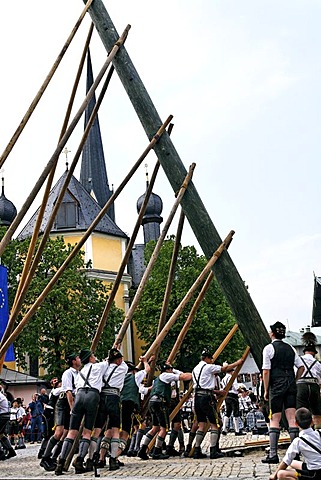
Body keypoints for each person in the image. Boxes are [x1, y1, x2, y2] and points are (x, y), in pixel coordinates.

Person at [55, 348, 111, 475]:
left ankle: (60, 462)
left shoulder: (80, 371)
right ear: (90, 358)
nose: (95, 357)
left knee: (71, 432)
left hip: (79, 396)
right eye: (93, 355)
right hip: (92, 396)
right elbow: (109, 360)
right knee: (86, 433)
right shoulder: (98, 366)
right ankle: (79, 460)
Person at [262, 321, 304, 464]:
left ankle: (273, 454)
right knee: (292, 418)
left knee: (275, 418)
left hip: (276, 384)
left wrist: (266, 390)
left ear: (272, 333)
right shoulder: (291, 348)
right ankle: (295, 454)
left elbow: (266, 371)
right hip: (290, 382)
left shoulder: (268, 348)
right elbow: (301, 367)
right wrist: (295, 380)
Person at [192, 347, 243, 459]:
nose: (212, 360)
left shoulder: (195, 369)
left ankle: (197, 450)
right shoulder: (208, 367)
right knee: (215, 423)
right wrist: (238, 362)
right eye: (210, 358)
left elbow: (201, 385)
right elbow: (225, 368)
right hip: (206, 397)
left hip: (197, 397)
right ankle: (213, 450)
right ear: (206, 358)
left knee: (201, 424)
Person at [84, 347, 128, 472]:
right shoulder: (123, 368)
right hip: (114, 397)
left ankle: (90, 459)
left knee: (97, 430)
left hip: (102, 397)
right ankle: (113, 459)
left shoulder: (104, 368)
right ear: (118, 359)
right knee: (115, 430)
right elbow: (122, 362)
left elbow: (108, 361)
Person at [138, 361, 192, 460]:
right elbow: (184, 376)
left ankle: (142, 449)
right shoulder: (166, 376)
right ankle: (157, 451)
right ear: (167, 370)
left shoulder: (158, 379)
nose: (172, 371)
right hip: (160, 403)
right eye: (171, 369)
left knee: (155, 428)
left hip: (153, 402)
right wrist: (195, 374)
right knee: (164, 428)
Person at [40, 353, 81, 472]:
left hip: (71, 402)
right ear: (73, 361)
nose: (80, 360)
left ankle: (54, 457)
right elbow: (68, 392)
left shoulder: (79, 374)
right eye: (78, 358)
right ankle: (45, 458)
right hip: (63, 403)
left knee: (66, 433)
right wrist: (73, 409)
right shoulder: (68, 373)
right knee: (59, 432)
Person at [269, 407, 321, 480]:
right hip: (315, 467)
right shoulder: (319, 433)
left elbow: (286, 461)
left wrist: (274, 475)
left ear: (296, 423)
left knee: (281, 474)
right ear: (312, 422)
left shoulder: (298, 441)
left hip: (314, 474)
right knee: (292, 463)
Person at [296, 331, 321, 429]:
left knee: (301, 412)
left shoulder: (298, 360)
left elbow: (295, 375)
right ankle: (318, 432)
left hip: (301, 386)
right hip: (314, 386)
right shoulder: (318, 363)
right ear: (314, 352)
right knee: (317, 412)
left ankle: (303, 432)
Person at [221, 364, 245, 436]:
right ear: (231, 371)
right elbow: (235, 387)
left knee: (227, 412)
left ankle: (224, 429)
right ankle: (237, 430)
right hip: (233, 396)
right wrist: (242, 391)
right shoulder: (232, 377)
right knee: (236, 413)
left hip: (227, 396)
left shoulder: (223, 379)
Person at [0, 385, 16, 460]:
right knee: (1, 435)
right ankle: (11, 451)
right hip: (5, 416)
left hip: (2, 416)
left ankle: (1, 454)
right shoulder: (1, 395)